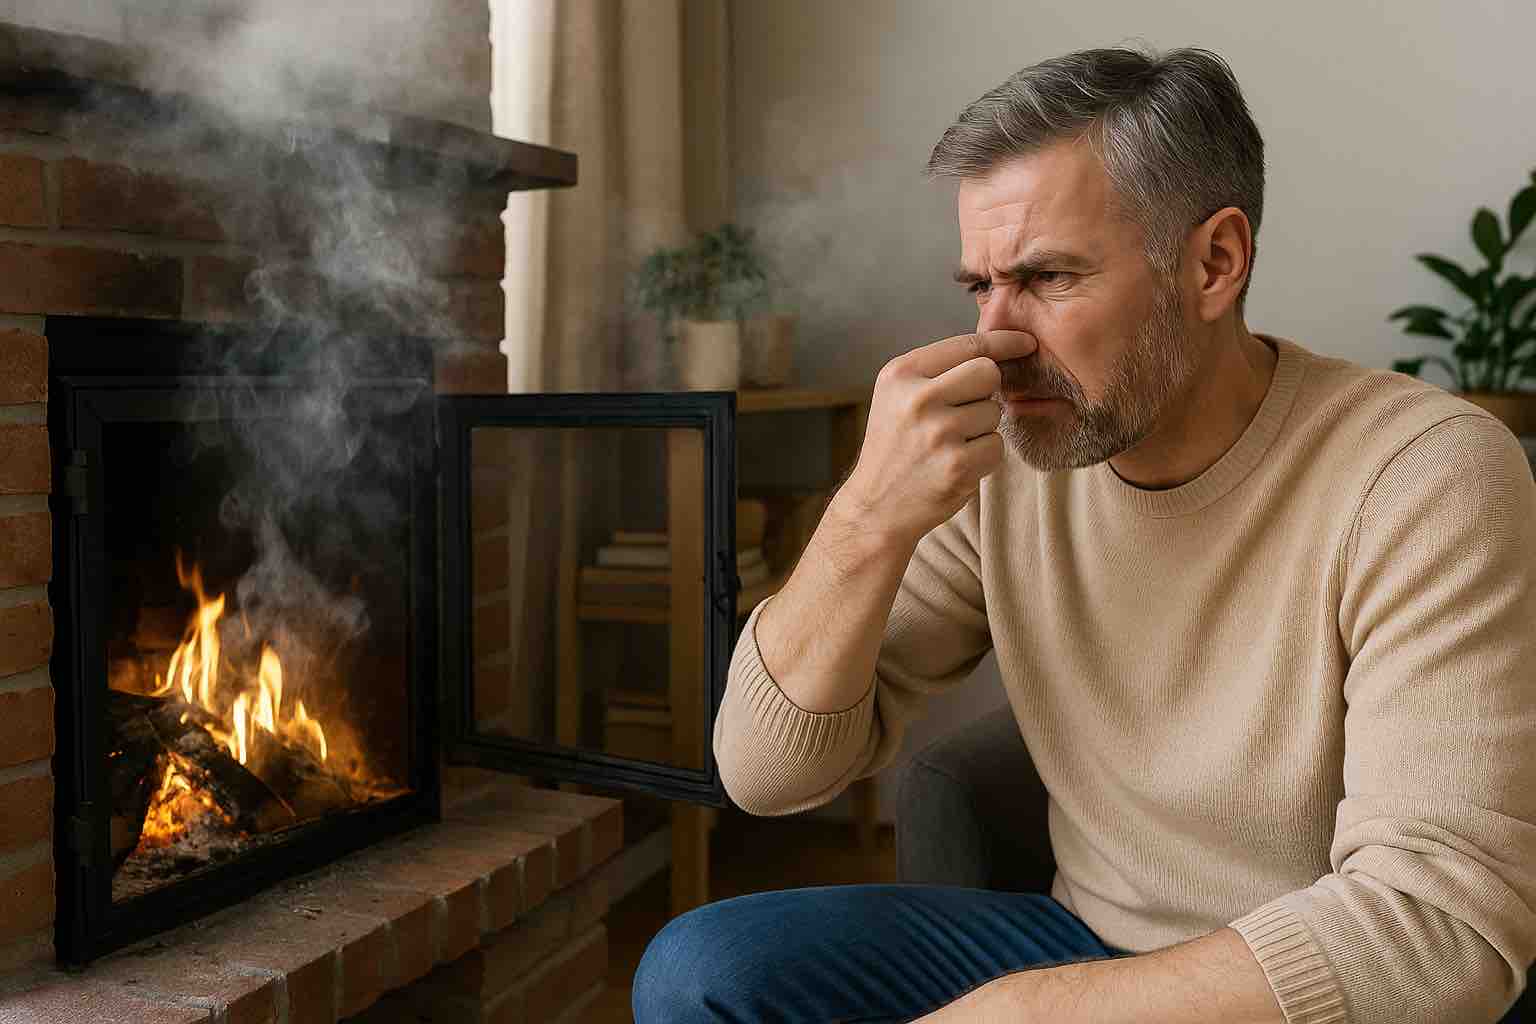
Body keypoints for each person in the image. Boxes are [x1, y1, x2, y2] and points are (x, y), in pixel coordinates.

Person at [633, 45, 1536, 1024]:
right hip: (1083, 941)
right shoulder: (1008, 460)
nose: (999, 341)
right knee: (699, 970)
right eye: (979, 285)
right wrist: (866, 516)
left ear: (1214, 263)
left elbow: (1439, 932)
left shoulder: (1425, 473)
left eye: (1048, 276)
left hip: (1295, 983)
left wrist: (1015, 1015)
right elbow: (765, 774)